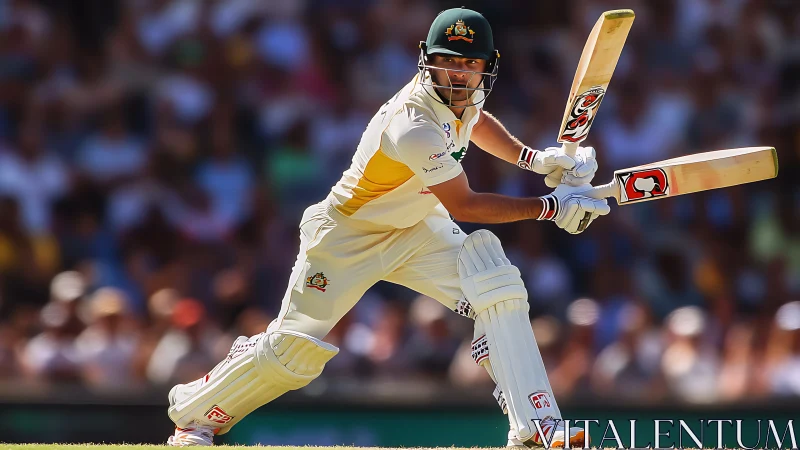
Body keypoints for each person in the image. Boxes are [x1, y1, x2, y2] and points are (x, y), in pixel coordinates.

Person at [165, 7, 608, 447]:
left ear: (486, 67)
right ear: (426, 60)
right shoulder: (412, 124)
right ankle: (195, 417)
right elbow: (465, 205)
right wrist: (550, 207)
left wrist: (532, 159)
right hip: (347, 235)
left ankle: (537, 429)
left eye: (469, 64)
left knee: (496, 284)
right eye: (447, 62)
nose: (458, 75)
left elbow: (474, 122)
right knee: (293, 351)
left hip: (416, 227)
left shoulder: (462, 96)